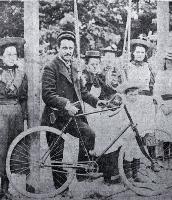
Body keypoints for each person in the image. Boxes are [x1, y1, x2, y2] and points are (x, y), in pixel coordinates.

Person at [41, 31, 106, 188]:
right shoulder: (51, 67)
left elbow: (82, 92)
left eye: (71, 48)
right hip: (55, 116)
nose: (68, 51)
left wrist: (97, 102)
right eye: (65, 48)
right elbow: (48, 94)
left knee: (89, 133)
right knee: (57, 153)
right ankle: (61, 188)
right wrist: (65, 104)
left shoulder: (74, 67)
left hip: (72, 116)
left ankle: (82, 172)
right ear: (58, 48)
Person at [0, 37, 28, 199]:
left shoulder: (21, 74)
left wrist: (23, 115)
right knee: (1, 151)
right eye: (8, 54)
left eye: (14, 54)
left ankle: (5, 188)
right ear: (2, 56)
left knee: (12, 150)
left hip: (16, 115)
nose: (12, 57)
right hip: (1, 115)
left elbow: (23, 96)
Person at [154, 47, 172, 157]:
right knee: (163, 130)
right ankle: (163, 155)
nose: (170, 63)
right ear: (164, 61)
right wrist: (162, 105)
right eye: (168, 60)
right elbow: (156, 92)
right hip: (163, 105)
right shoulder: (160, 74)